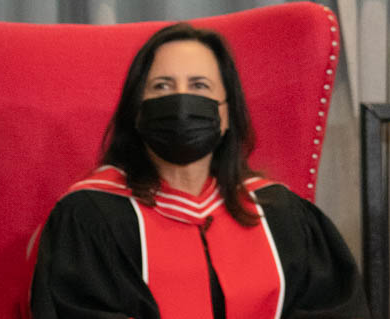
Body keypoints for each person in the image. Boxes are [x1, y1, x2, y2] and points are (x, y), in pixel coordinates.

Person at [28, 23, 367, 319]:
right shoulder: (92, 217)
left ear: (226, 113)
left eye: (199, 86)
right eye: (162, 86)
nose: (181, 101)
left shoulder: (283, 217)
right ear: (137, 110)